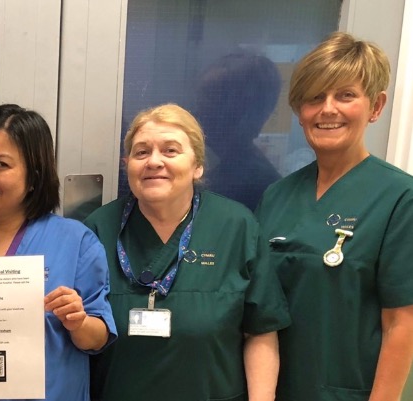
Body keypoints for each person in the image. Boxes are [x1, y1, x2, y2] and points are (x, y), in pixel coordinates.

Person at [84, 103, 290, 401]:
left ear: (197, 166)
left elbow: (261, 330)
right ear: (127, 164)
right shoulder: (98, 229)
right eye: (142, 152)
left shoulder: (235, 226)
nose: (154, 161)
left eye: (170, 151)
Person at [256, 32, 413, 400]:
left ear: (376, 106)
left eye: (345, 95)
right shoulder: (277, 196)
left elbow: (401, 324)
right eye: (314, 97)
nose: (328, 109)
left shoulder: (399, 198)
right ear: (299, 111)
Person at [0, 104, 117, 400]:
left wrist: (79, 322)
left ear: (34, 177)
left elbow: (98, 339)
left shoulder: (76, 241)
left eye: (1, 165)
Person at [193, 51, 282, 210]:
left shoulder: (257, 184)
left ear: (241, 112)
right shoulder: (215, 162)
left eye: (209, 101)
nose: (196, 112)